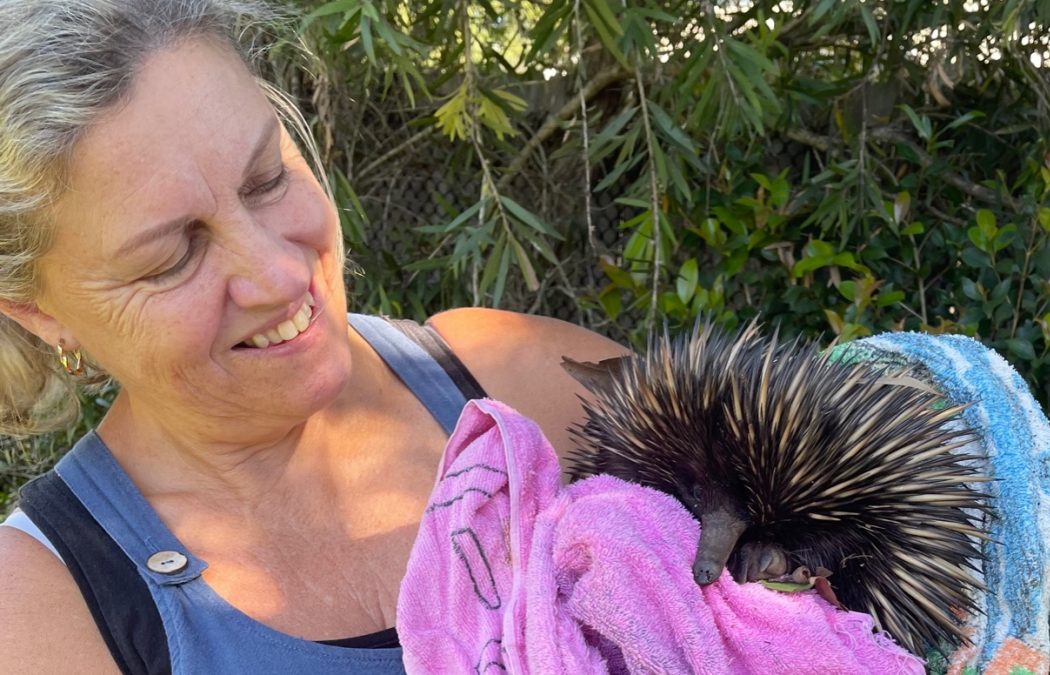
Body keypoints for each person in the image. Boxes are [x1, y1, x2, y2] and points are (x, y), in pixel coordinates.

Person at [0, 1, 625, 672]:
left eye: (267, 179)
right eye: (171, 258)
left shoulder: (528, 387)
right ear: (38, 311)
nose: (279, 275)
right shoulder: (44, 612)